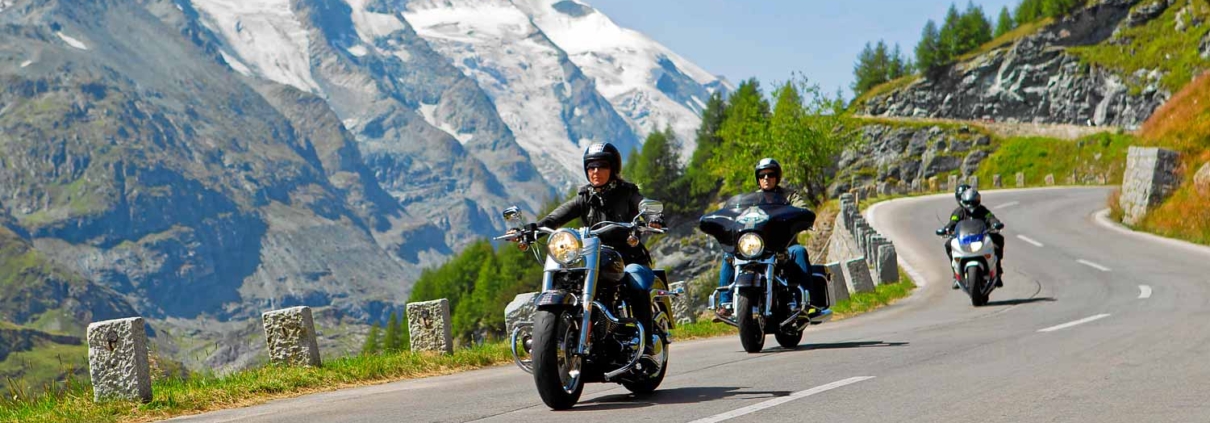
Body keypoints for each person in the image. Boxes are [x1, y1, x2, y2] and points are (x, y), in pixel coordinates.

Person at [519, 142, 663, 352]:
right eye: (591, 167)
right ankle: (556, 336)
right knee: (566, 278)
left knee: (636, 283)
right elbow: (555, 218)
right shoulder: (585, 197)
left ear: (613, 168)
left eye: (602, 166)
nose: (596, 171)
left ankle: (647, 341)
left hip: (628, 258)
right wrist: (532, 229)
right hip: (593, 258)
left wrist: (652, 216)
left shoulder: (627, 193)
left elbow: (642, 203)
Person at [715, 158, 813, 318]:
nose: (766, 178)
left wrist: (801, 217)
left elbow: (803, 209)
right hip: (756, 247)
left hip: (784, 246)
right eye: (762, 175)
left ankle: (805, 302)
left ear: (777, 177)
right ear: (758, 179)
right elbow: (736, 214)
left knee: (800, 251)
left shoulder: (789, 196)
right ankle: (725, 304)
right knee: (729, 255)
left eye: (771, 174)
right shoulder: (751, 200)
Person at [937, 187, 1006, 288]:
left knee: (998, 240)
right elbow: (952, 222)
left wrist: (995, 223)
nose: (971, 205)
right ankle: (956, 276)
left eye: (973, 202)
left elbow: (991, 217)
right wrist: (946, 229)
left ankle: (998, 271)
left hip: (981, 238)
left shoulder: (983, 210)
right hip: (964, 240)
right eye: (968, 202)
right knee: (948, 245)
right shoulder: (959, 212)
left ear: (978, 201)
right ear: (963, 201)